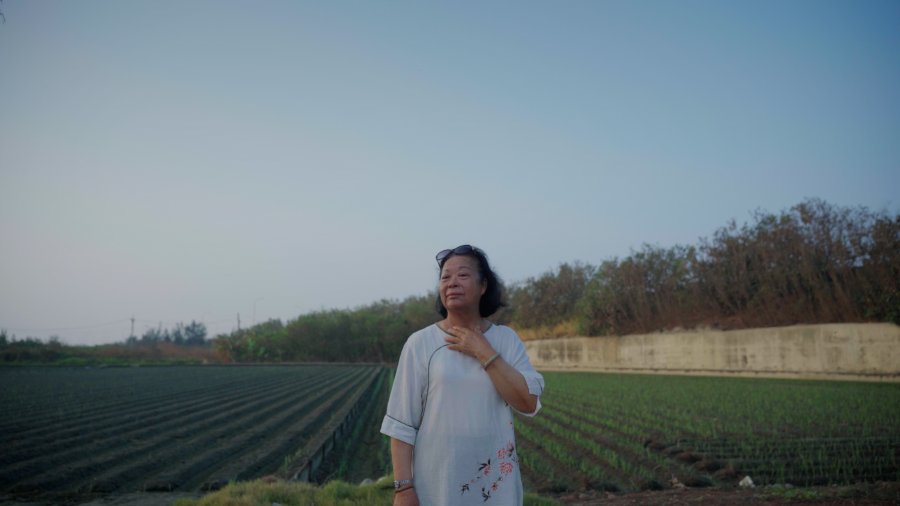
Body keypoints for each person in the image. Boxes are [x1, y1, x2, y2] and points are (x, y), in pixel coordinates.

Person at [381, 245, 545, 506]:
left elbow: (527, 402)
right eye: (445, 277)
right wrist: (403, 488)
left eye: (463, 275)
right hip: (437, 487)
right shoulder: (421, 343)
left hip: (495, 490)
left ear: (483, 285)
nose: (452, 283)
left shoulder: (506, 339)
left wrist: (484, 352)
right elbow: (402, 423)